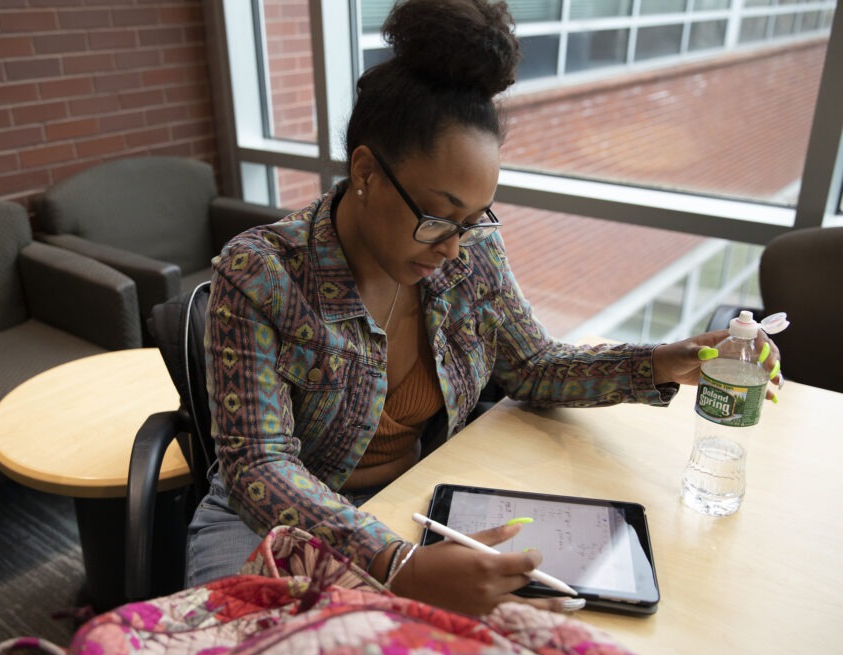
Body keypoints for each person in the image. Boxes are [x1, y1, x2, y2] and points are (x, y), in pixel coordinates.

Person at [186, 0, 781, 616]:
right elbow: (259, 464)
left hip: (415, 505)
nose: (452, 247)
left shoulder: (471, 252)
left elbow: (533, 366)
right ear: (366, 172)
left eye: (472, 220)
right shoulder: (262, 273)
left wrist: (659, 362)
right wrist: (394, 562)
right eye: (439, 216)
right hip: (270, 523)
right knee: (268, 650)